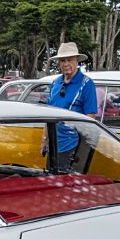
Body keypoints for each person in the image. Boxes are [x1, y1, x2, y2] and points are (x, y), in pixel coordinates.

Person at [42, 41, 97, 173]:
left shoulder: (86, 84)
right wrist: (44, 140)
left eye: (70, 60)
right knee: (50, 183)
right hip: (52, 145)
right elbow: (48, 114)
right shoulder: (56, 82)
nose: (66, 64)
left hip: (71, 146)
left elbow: (90, 116)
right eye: (62, 60)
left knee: (62, 186)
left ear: (77, 60)